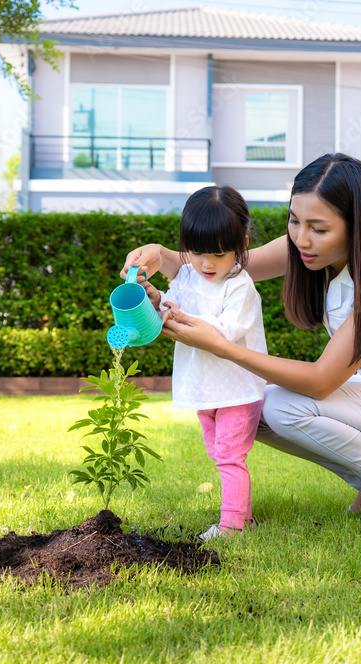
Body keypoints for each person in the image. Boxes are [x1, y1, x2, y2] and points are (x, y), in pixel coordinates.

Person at [124, 154, 361, 531]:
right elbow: (223, 267)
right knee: (251, 402)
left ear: (356, 226)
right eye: (294, 221)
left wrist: (222, 345)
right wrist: (161, 254)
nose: (301, 238)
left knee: (280, 405)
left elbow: (319, 381)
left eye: (318, 228)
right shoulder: (305, 247)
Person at [143, 185, 267, 541]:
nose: (206, 264)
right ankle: (243, 515)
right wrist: (157, 299)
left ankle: (232, 525)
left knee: (229, 456)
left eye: (217, 254)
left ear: (242, 246)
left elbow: (226, 332)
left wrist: (177, 318)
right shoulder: (187, 275)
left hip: (237, 390)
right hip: (205, 387)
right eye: (196, 253)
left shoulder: (239, 287)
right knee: (219, 454)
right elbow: (175, 304)